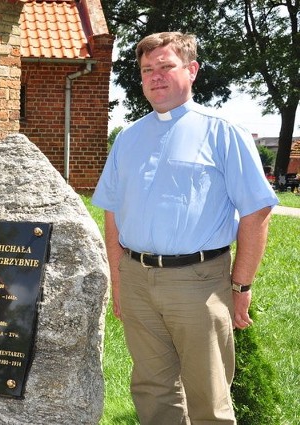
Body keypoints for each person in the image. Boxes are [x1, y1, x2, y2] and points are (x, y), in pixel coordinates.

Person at [92, 32, 278, 424]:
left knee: (207, 397)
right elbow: (112, 212)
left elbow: (257, 211)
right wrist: (119, 281)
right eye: (147, 70)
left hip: (198, 282)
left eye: (165, 67)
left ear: (191, 70)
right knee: (151, 391)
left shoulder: (223, 133)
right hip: (138, 280)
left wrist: (241, 287)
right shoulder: (128, 139)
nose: (155, 77)